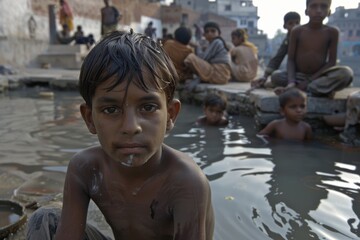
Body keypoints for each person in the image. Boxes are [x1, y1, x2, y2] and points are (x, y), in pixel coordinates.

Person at [26, 30, 214, 240]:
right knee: (44, 220)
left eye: (148, 107)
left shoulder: (185, 181)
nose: (131, 127)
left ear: (170, 115)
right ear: (89, 119)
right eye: (111, 110)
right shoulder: (85, 169)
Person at [273, 0, 353, 97]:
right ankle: (316, 90)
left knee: (346, 73)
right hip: (299, 76)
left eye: (323, 7)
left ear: (329, 12)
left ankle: (303, 89)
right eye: (313, 6)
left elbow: (331, 62)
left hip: (319, 76)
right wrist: (291, 82)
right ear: (306, 11)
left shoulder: (332, 32)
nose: (318, 11)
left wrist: (309, 81)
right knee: (276, 76)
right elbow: (291, 60)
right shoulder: (297, 31)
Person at [250, 11, 301, 90]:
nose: (294, 26)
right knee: (276, 76)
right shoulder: (287, 40)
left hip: (307, 74)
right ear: (285, 26)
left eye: (297, 23)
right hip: (294, 75)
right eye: (291, 24)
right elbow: (277, 58)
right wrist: (265, 76)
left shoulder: (305, 36)